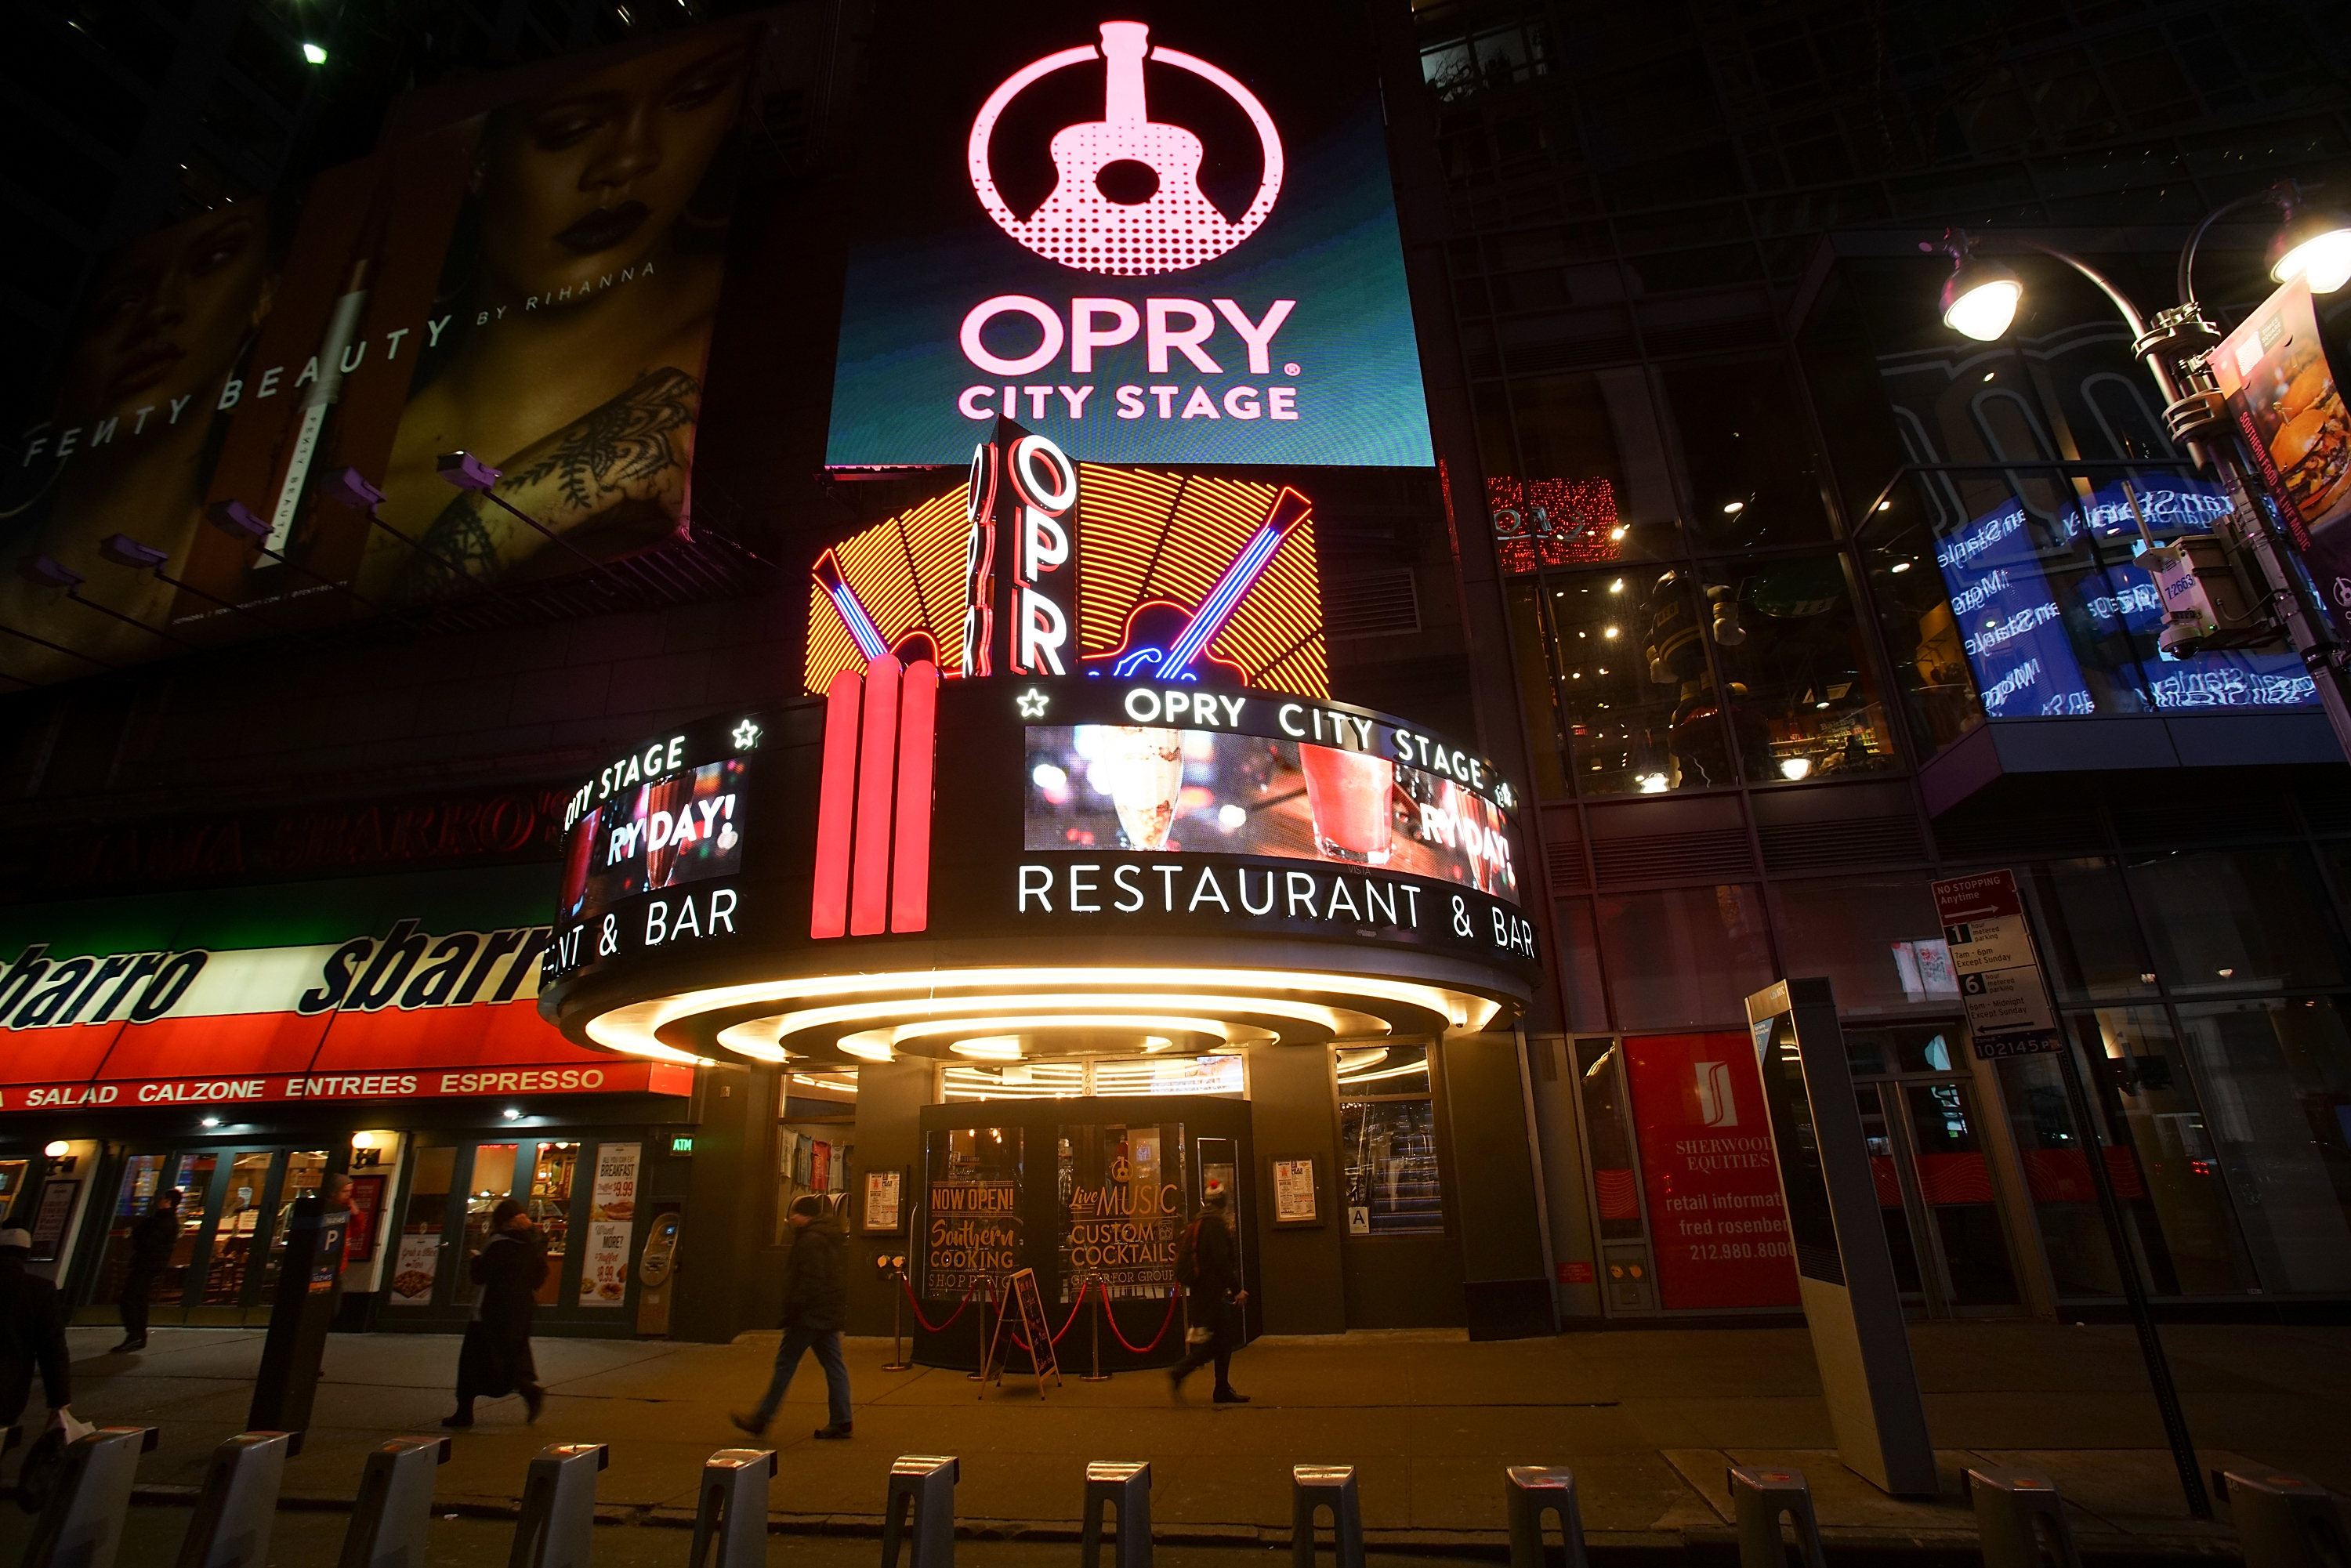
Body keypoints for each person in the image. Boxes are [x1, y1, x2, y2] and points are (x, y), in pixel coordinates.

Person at [364, 24, 759, 601]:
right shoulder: (362, 484)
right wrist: (493, 518)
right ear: (478, 162)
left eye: (691, 98)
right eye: (570, 131)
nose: (627, 161)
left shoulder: (752, 354)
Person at [732, 1194, 851, 1440]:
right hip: (826, 1312)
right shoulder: (830, 1236)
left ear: (804, 1215)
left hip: (807, 1316)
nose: (791, 1218)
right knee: (834, 1365)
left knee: (785, 1365)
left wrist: (794, 1307)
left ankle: (761, 1419)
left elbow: (810, 1279)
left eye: (795, 1214)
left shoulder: (809, 1240)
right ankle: (842, 1420)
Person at [444, 1199, 548, 1429]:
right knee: (512, 1355)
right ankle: (527, 1388)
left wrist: (477, 1259)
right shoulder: (534, 1244)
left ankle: (464, 1412)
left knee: (472, 1361)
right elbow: (538, 1277)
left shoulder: (497, 1244)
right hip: (521, 1308)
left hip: (490, 1309)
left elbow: (481, 1276)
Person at [1168, 1189, 1249, 1404]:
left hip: (1201, 1292)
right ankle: (1184, 1372)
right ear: (1222, 1204)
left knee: (1220, 1339)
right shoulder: (1214, 1225)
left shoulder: (1198, 1222)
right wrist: (1237, 1289)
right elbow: (1222, 1262)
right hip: (1211, 1292)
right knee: (1222, 1338)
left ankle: (1217, 1386)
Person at [1, 1227, 73, 1429]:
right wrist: (59, 1397)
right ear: (25, 1254)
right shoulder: (39, 1290)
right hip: (7, 1387)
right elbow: (52, 1347)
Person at [114, 1186, 182, 1353]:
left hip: (146, 1264)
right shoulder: (166, 1220)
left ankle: (135, 1335)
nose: (158, 1202)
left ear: (167, 1201)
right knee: (138, 1298)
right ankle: (137, 1335)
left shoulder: (163, 1221)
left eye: (161, 1199)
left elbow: (146, 1242)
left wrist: (140, 1236)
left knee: (130, 1298)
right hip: (150, 1264)